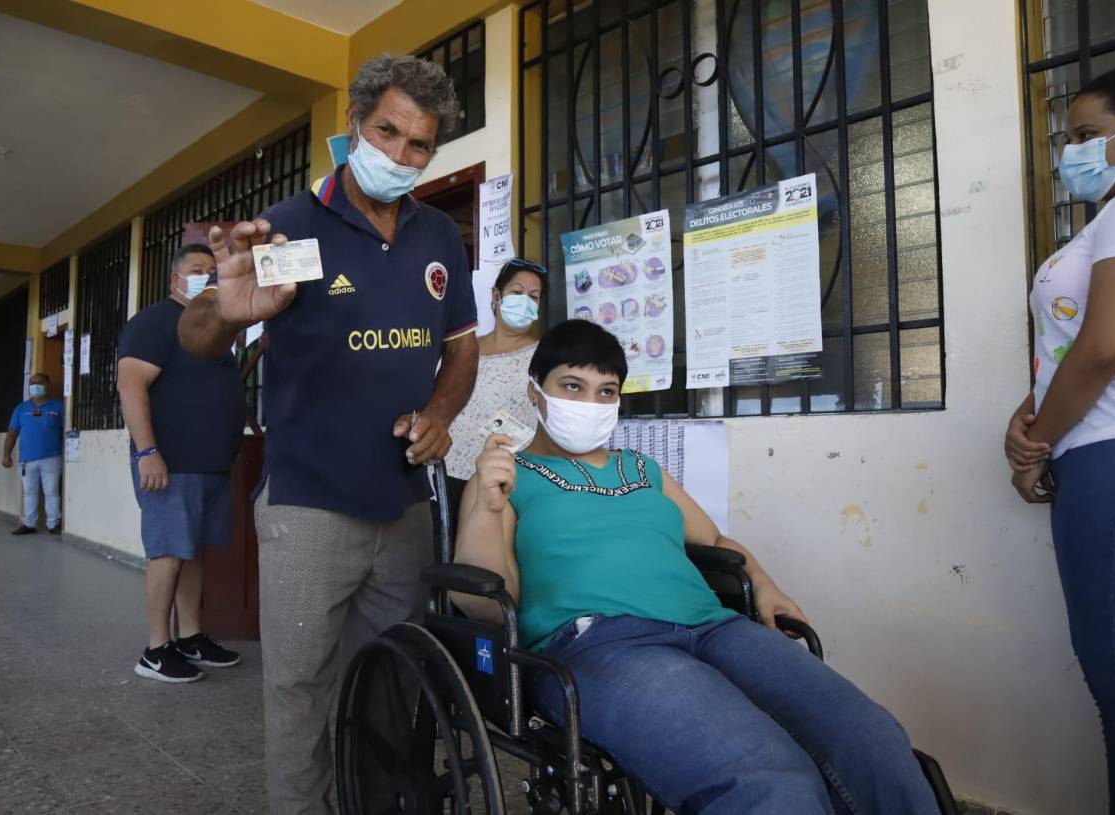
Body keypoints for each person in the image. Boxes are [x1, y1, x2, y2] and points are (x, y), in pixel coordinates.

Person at [455, 320, 939, 814]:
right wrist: (487, 509)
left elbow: (714, 541)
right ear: (534, 390)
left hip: (714, 629)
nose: (590, 404)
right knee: (769, 780)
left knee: (871, 738)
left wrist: (764, 584)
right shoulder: (504, 476)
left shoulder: (645, 470)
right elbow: (486, 604)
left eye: (606, 392)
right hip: (602, 647)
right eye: (572, 387)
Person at [178, 53, 477, 814]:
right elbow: (198, 335)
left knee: (388, 686)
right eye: (389, 132)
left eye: (420, 145)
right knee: (300, 690)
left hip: (405, 507)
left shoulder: (439, 233)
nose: (402, 156)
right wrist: (229, 308)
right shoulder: (290, 225)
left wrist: (440, 413)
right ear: (355, 122)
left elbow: (462, 346)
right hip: (309, 505)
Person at [1005, 66, 1115, 811]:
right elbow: (1078, 342)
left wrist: (1036, 443)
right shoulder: (1103, 222)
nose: (1069, 152)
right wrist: (1029, 411)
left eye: (1086, 137)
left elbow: (1105, 347)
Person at [116, 243, 245, 684]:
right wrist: (148, 452)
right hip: (170, 464)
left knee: (193, 555)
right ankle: (155, 648)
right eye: (197, 269)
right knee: (168, 553)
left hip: (210, 466)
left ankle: (190, 636)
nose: (207, 276)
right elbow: (131, 387)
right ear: (176, 280)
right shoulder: (154, 323)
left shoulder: (212, 327)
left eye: (213, 270)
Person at [444, 258, 546, 510]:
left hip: (508, 479)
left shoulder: (545, 356)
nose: (525, 301)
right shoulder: (463, 349)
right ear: (496, 296)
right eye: (517, 292)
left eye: (534, 296)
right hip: (450, 474)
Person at [1, 373, 65, 535]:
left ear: (47, 385)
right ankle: (29, 524)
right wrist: (6, 454)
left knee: (51, 492)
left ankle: (53, 523)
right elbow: (12, 432)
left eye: (40, 382)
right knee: (29, 492)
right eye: (32, 383)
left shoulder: (57, 407)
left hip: (52, 457)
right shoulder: (21, 409)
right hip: (27, 460)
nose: (35, 385)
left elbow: (66, 430)